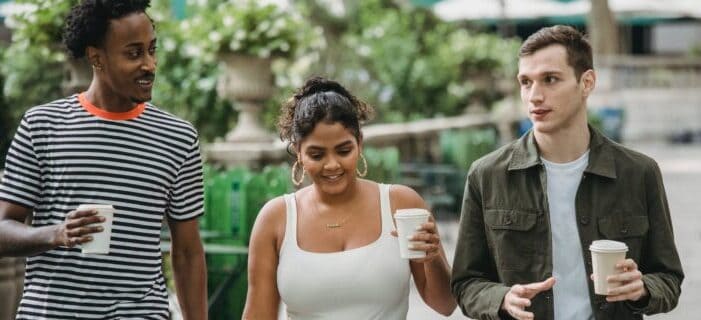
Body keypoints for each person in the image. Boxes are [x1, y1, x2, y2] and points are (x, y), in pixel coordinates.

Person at [451, 25, 683, 320]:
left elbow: (669, 278)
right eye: (525, 82)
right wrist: (502, 298)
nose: (534, 96)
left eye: (550, 79)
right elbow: (466, 283)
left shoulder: (639, 173)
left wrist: (642, 288)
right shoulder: (487, 175)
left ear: (586, 82)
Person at [0, 1, 207, 319]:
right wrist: (56, 234)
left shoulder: (178, 138)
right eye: (134, 53)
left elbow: (188, 252)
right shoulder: (42, 126)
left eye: (152, 50)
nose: (149, 64)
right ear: (97, 57)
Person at [242, 77, 457, 319]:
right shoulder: (275, 219)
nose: (332, 165)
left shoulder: (401, 204)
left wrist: (433, 256)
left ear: (360, 144)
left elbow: (445, 305)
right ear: (299, 152)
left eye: (344, 151)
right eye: (316, 154)